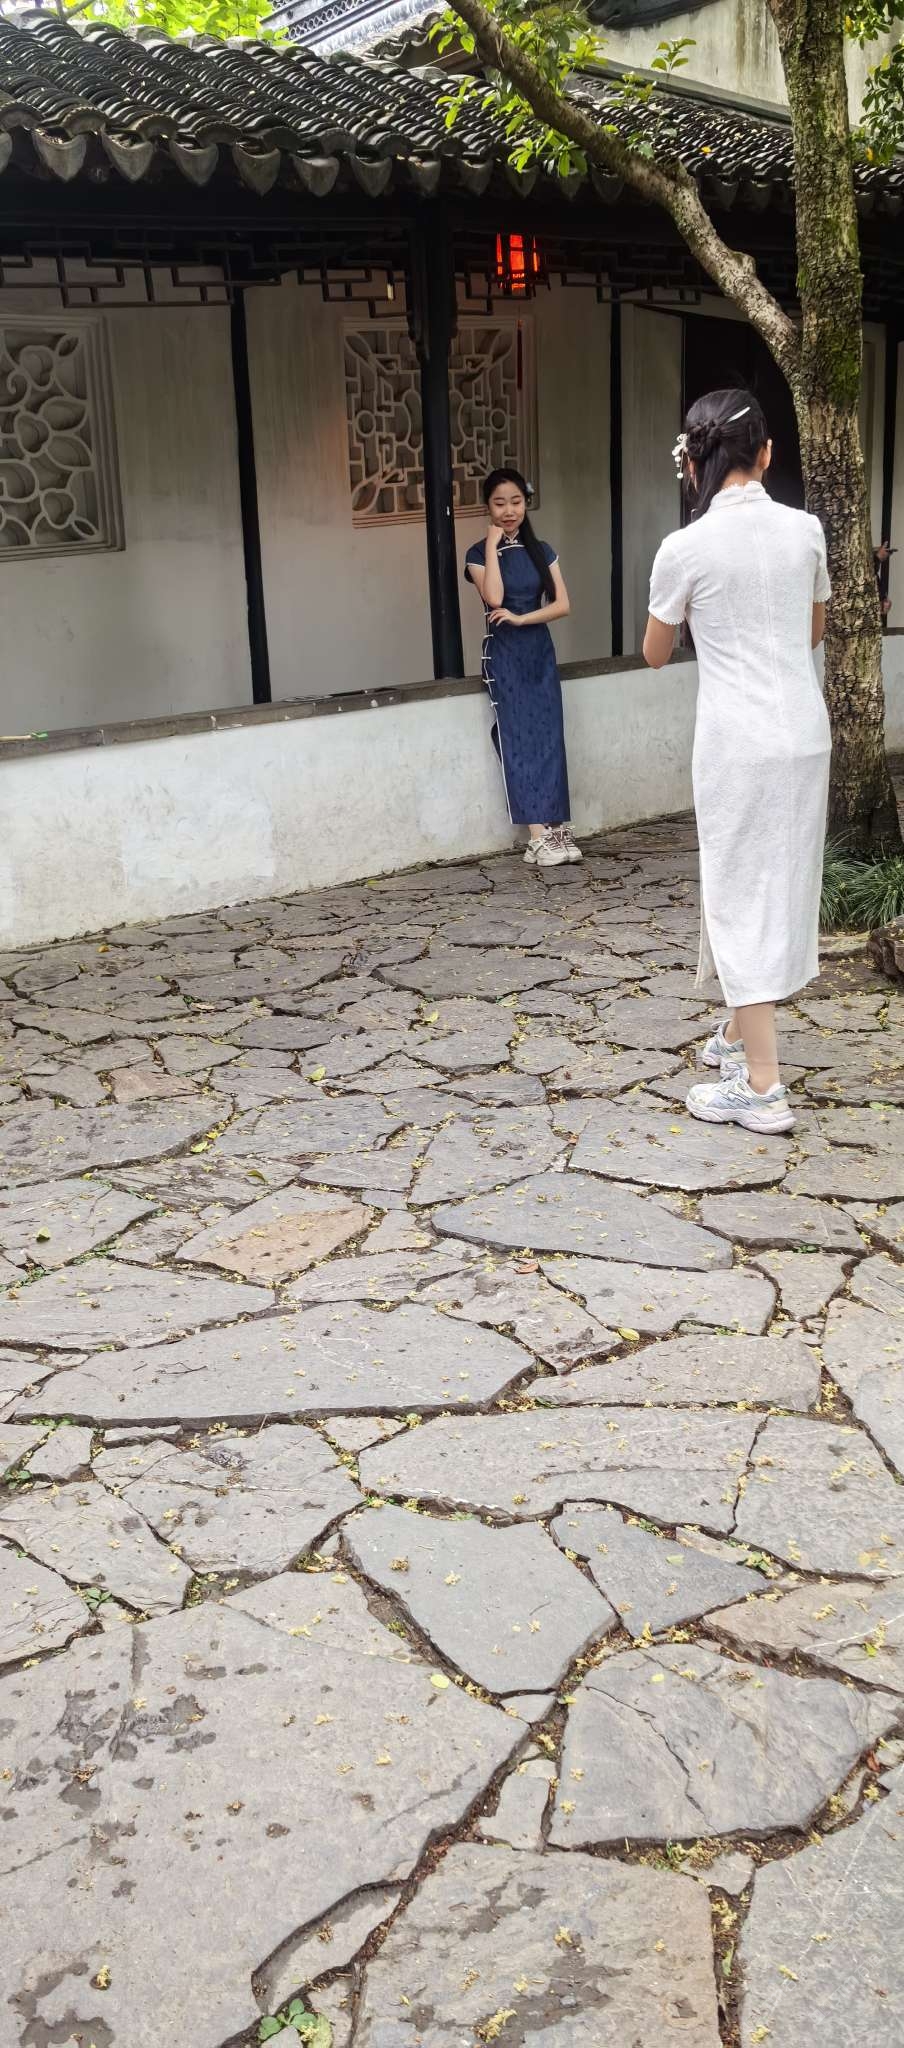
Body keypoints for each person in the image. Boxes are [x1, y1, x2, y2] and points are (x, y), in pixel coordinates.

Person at [644, 387, 832, 1135]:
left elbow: (655, 652)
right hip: (803, 733)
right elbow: (812, 632)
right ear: (766, 454)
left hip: (737, 742)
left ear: (692, 463)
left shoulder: (685, 547)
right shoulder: (806, 531)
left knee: (738, 892)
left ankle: (762, 1086)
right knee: (776, 886)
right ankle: (734, 1033)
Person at [464, 467, 580, 866]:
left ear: (526, 503)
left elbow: (562, 605)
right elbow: (495, 598)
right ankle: (536, 835)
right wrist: (492, 544)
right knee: (517, 738)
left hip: (539, 651)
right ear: (488, 507)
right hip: (505, 656)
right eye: (499, 503)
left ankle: (556, 825)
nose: (509, 510)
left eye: (516, 502)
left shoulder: (542, 550)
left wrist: (522, 618)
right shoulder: (477, 554)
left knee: (549, 736)